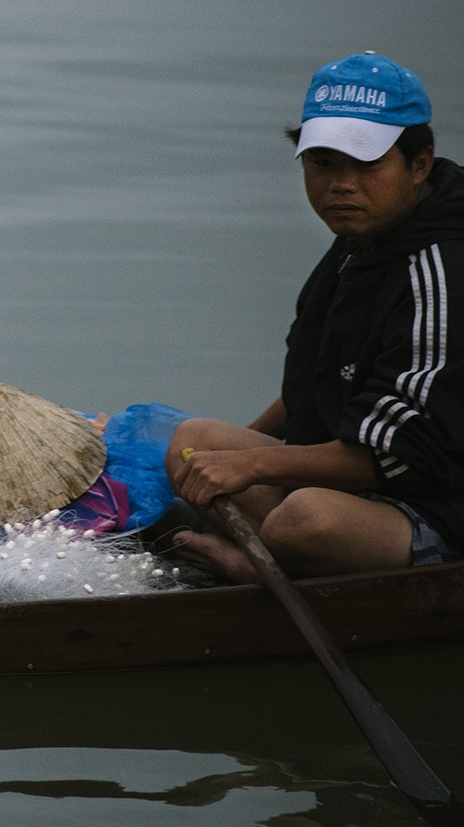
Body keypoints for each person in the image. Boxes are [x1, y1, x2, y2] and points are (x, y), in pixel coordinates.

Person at [168, 53, 463, 581]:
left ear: (419, 164)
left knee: (304, 520)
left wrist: (255, 465)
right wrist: (236, 451)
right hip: (368, 483)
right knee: (194, 442)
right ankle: (282, 558)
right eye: (323, 163)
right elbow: (325, 370)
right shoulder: (362, 237)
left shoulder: (440, 268)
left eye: (367, 165)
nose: (341, 185)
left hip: (439, 502)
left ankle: (258, 570)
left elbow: (404, 455)